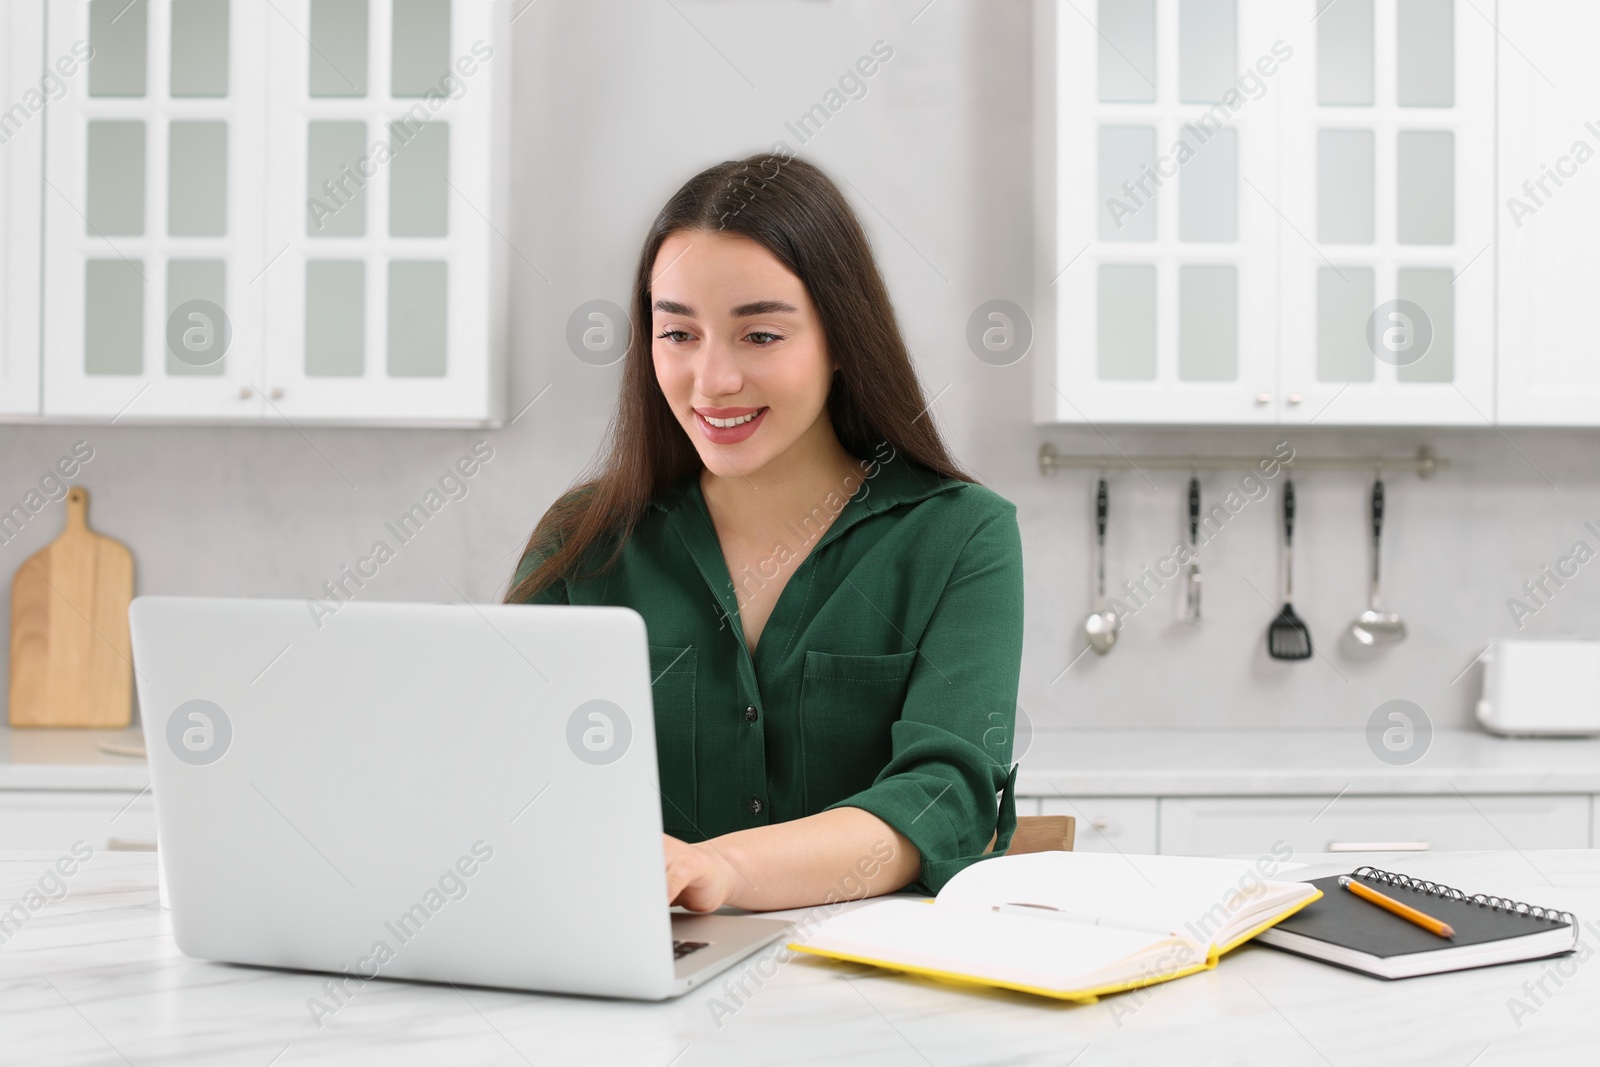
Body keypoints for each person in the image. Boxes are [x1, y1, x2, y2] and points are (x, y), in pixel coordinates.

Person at [505, 152, 1024, 912]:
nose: (712, 380)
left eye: (760, 337)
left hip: (870, 999)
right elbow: (504, 771)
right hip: (631, 990)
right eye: (678, 334)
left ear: (842, 338)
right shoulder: (582, 539)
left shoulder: (961, 538)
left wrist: (725, 870)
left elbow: (944, 797)